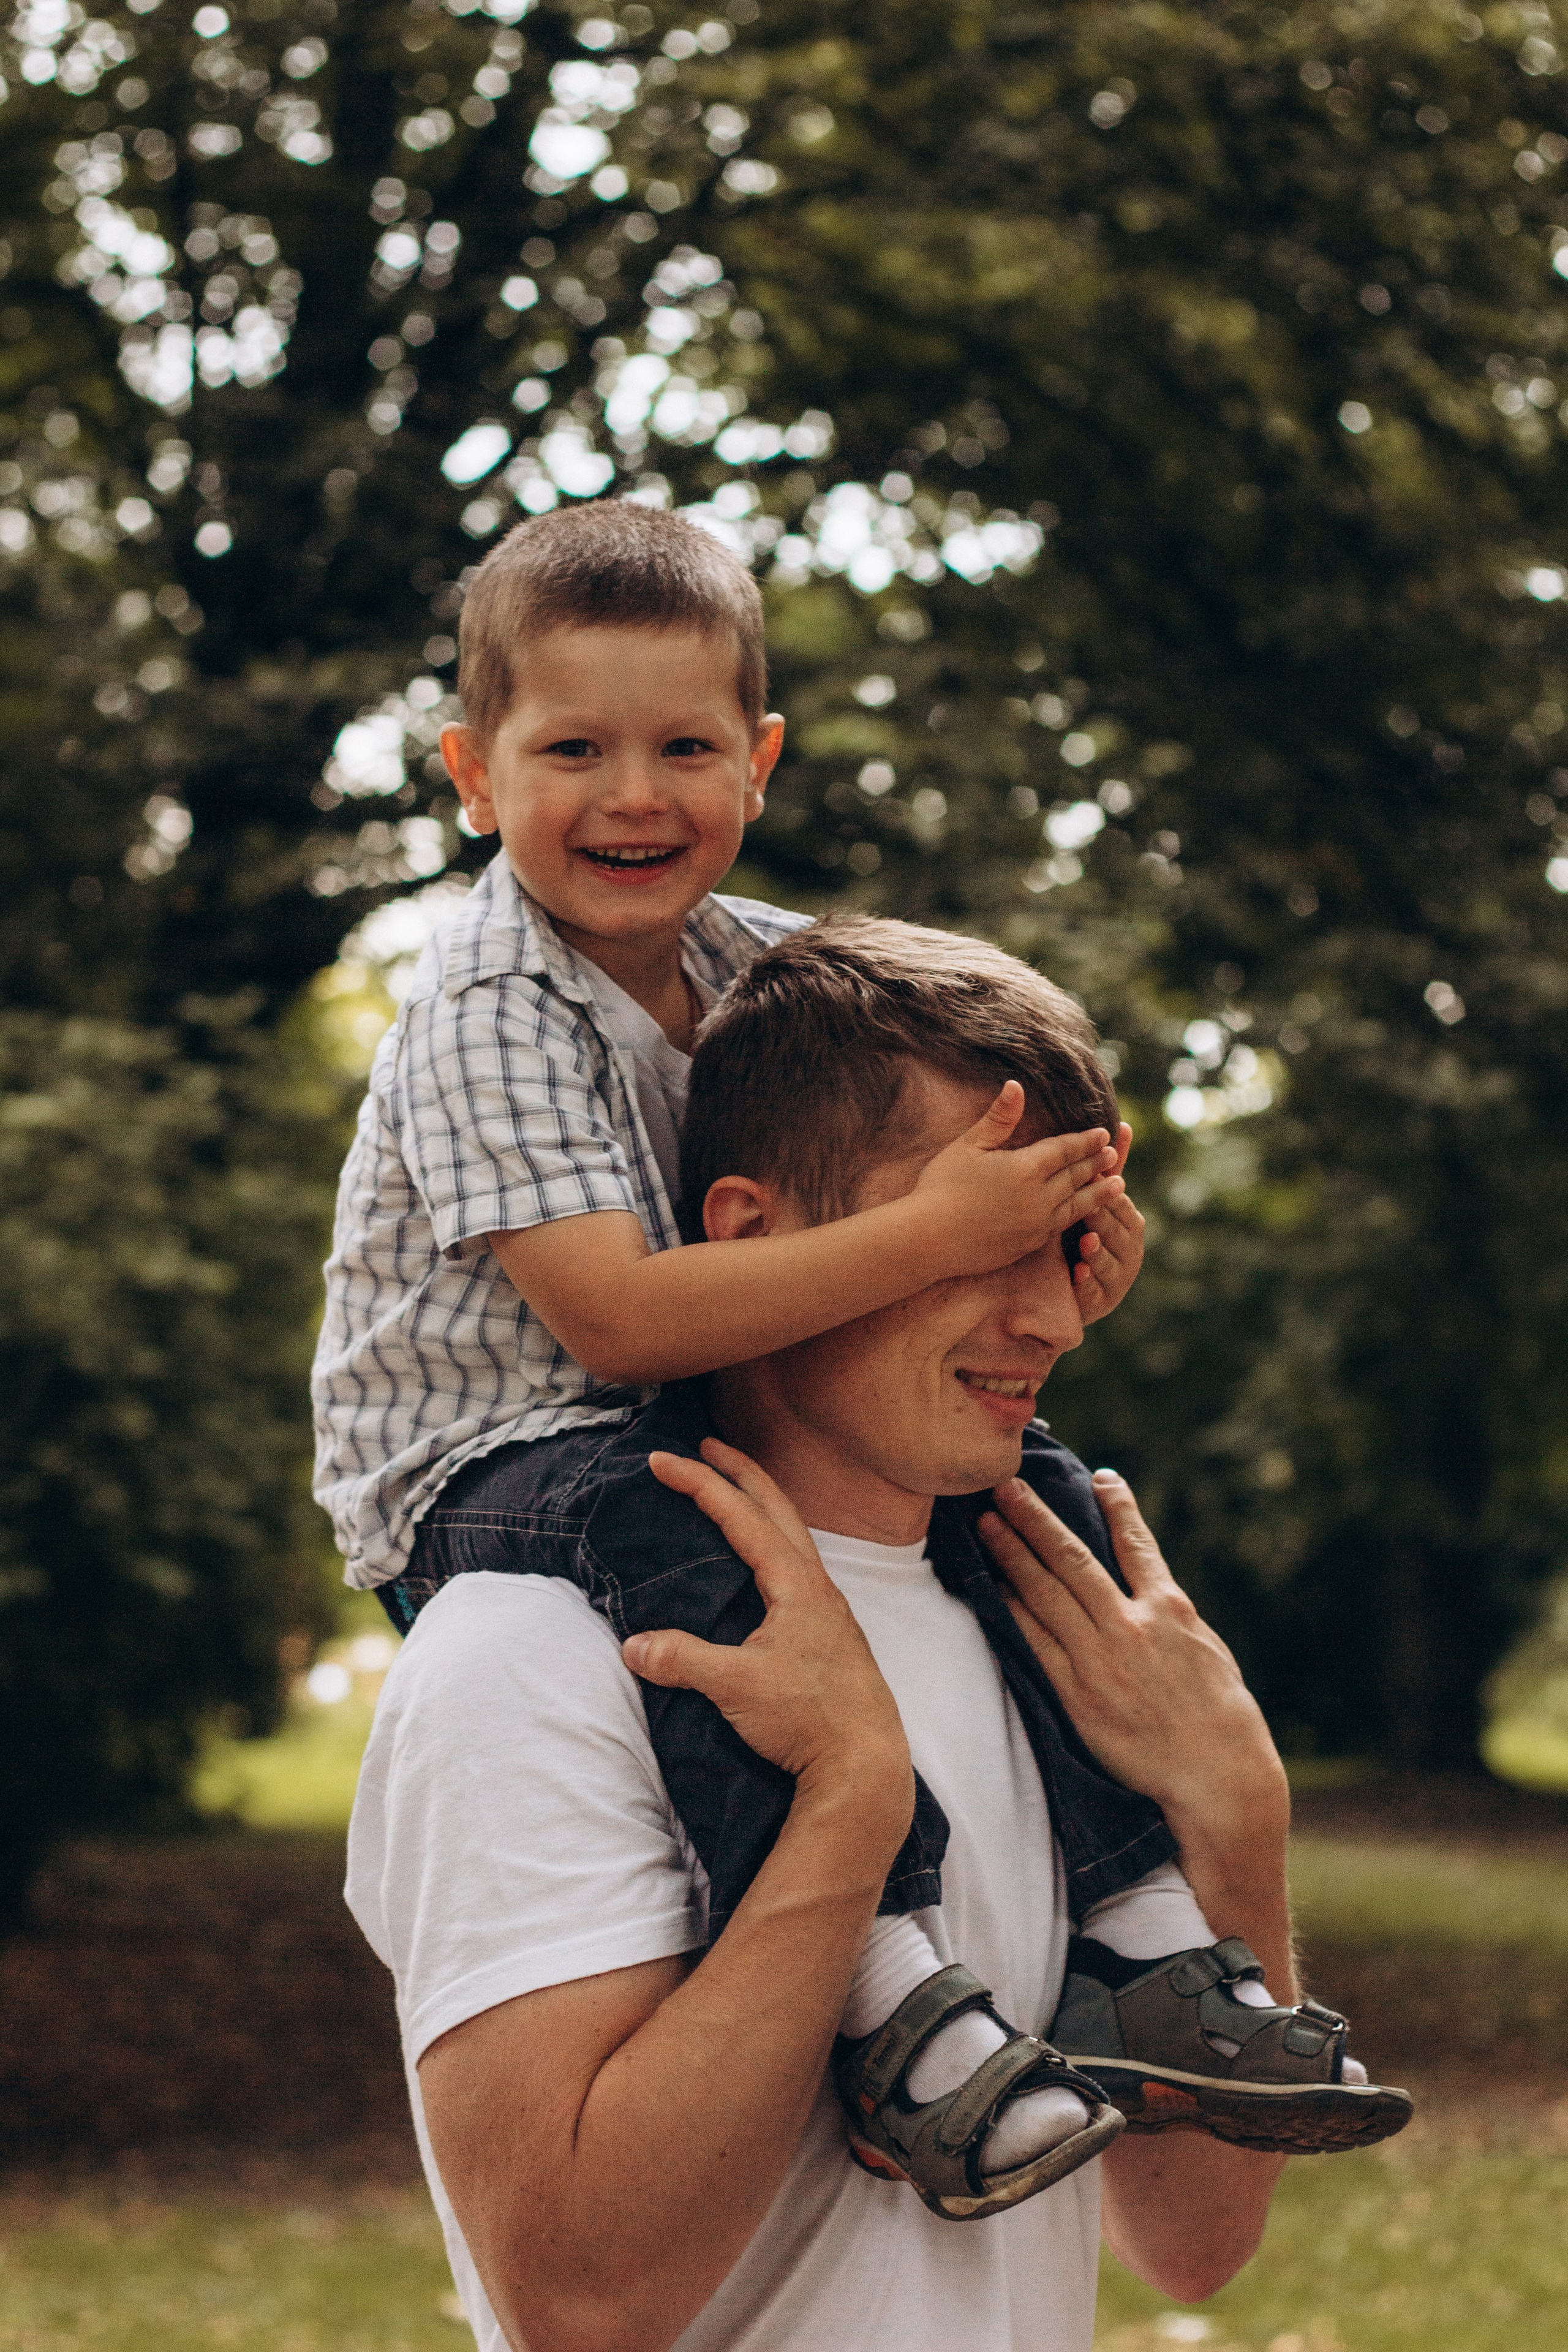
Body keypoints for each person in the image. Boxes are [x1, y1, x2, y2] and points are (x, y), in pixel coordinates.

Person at [342, 937, 1403, 2352]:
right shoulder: (532, 1647)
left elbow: (1193, 2245)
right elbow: (576, 2304)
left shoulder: (1057, 1635)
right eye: (978, 1240)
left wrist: (1237, 1816)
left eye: (1065, 1247)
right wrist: (847, 1807)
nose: (1048, 1317)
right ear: (751, 1231)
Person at [314, 500, 1176, 2212]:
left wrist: (1053, 1246)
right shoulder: (485, 1005)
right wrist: (936, 1233)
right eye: (575, 748)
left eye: (685, 746)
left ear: (760, 761)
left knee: (1049, 1500)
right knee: (690, 1567)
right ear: (473, 775)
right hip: (484, 1466)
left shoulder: (759, 962)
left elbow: (921, 1105)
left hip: (646, 1429)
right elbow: (622, 1318)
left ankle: (1147, 1935)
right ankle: (894, 1994)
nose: (637, 796)